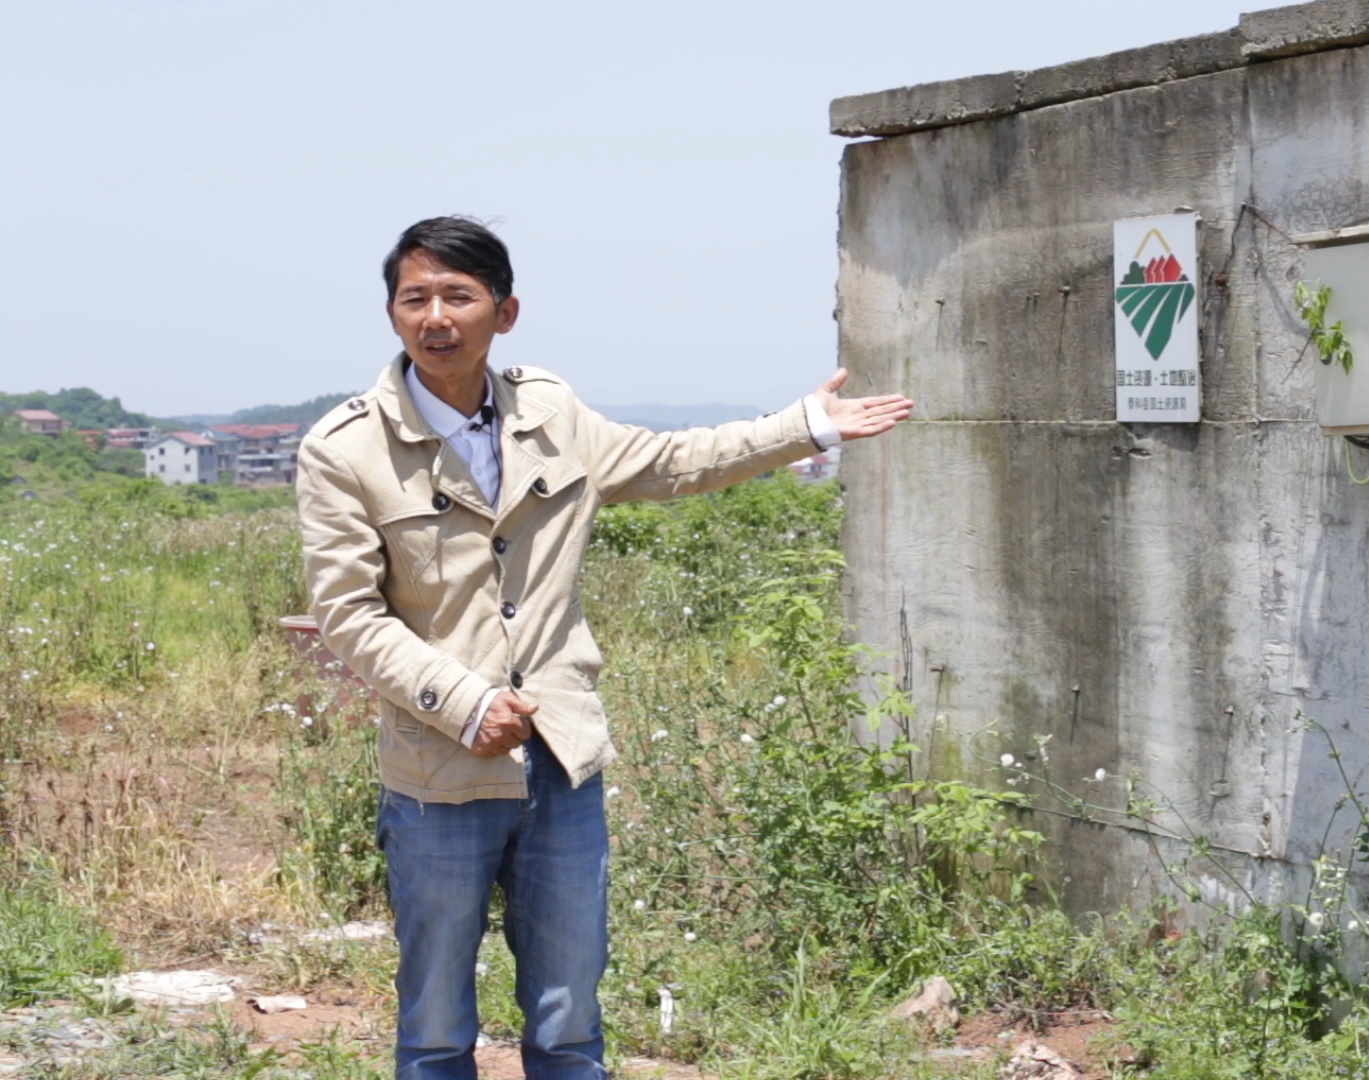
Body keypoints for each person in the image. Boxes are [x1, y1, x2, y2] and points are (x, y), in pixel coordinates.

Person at [296, 216, 912, 1079]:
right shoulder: (345, 449)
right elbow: (350, 615)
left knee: (569, 1016)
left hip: (560, 757)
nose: (435, 316)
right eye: (415, 298)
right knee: (434, 1022)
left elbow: (670, 460)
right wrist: (465, 704)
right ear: (393, 313)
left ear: (503, 313)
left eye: (458, 297)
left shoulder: (549, 413)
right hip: (436, 770)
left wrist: (807, 425)